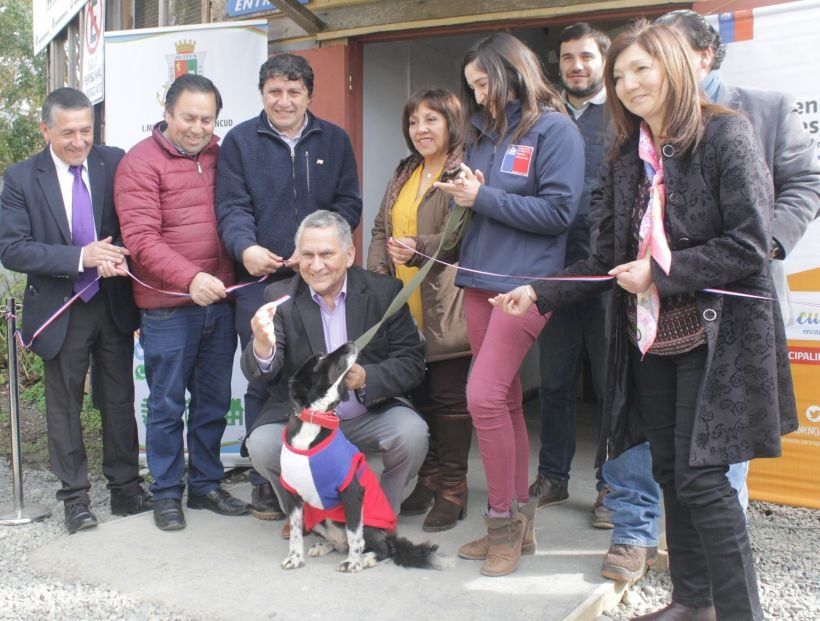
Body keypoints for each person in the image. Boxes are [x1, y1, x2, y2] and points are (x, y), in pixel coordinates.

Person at [492, 22, 797, 620]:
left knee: (705, 482)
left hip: (719, 336)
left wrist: (660, 271)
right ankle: (693, 602)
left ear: (677, 68)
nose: (629, 84)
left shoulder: (726, 134)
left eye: (641, 70)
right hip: (652, 338)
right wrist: (540, 290)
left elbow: (750, 243)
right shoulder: (626, 155)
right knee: (668, 470)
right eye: (620, 75)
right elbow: (606, 259)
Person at [656, 8, 820, 511]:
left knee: (727, 434)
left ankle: (728, 535)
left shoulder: (764, 108)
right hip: (669, 297)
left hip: (742, 293)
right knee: (675, 435)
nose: (655, 70)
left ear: (705, 55)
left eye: (668, 54)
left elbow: (805, 183)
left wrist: (763, 244)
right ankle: (679, 541)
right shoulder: (651, 118)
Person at [435, 33, 584, 577]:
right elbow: (487, 201)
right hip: (478, 276)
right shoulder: (480, 134)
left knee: (483, 397)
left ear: (512, 74)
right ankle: (518, 523)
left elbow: (560, 214)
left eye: (483, 84)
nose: (477, 97)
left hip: (526, 286)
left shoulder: (554, 128)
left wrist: (485, 196)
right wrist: (468, 188)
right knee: (507, 400)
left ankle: (501, 520)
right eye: (471, 87)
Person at [216, 53, 362, 521]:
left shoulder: (334, 139)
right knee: (263, 377)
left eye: (293, 91)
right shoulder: (239, 142)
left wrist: (318, 250)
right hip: (262, 280)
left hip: (321, 276)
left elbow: (348, 203)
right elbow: (232, 207)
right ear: (262, 94)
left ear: (308, 95)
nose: (284, 101)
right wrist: (246, 249)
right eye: (275, 91)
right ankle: (264, 482)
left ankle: (326, 467)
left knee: (319, 371)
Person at [0, 88, 151, 534]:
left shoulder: (115, 161)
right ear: (45, 130)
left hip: (112, 303)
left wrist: (121, 254)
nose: (79, 141)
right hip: (61, 305)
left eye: (86, 130)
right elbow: (13, 249)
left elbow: (132, 223)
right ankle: (75, 500)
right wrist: (78, 257)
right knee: (64, 405)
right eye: (68, 132)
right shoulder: (22, 178)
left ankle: (125, 490)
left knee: (119, 399)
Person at [115, 74, 249, 532]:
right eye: (189, 117)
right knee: (168, 404)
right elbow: (140, 238)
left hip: (221, 299)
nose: (198, 128)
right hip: (168, 306)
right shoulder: (139, 163)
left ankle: (207, 484)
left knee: (213, 401)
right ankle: (167, 492)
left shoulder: (222, 155)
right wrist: (190, 278)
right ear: (167, 112)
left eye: (207, 119)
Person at [243, 210, 427, 521]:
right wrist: (262, 344)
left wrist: (366, 376)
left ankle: (379, 509)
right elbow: (261, 373)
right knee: (261, 445)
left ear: (350, 253)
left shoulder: (384, 292)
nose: (316, 266)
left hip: (367, 412)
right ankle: (308, 513)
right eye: (307, 255)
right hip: (306, 421)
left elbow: (412, 363)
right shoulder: (280, 296)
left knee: (412, 434)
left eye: (326, 254)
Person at [367, 88, 472, 532]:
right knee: (421, 396)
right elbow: (380, 228)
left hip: (447, 302)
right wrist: (376, 282)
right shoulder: (405, 169)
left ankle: (453, 488)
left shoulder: (462, 170)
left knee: (450, 399)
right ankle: (428, 478)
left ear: (451, 122)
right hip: (402, 301)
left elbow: (463, 234)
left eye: (432, 120)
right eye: (414, 122)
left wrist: (417, 249)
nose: (421, 130)